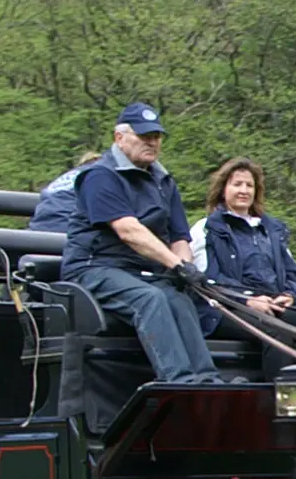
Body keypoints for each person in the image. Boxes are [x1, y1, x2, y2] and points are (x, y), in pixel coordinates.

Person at [65, 102, 219, 384]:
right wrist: (176, 266)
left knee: (179, 299)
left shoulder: (163, 181)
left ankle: (207, 381)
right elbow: (128, 230)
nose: (152, 142)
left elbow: (179, 236)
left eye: (156, 136)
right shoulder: (99, 176)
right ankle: (179, 382)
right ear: (119, 138)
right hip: (95, 267)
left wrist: (187, 270)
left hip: (142, 272)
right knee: (151, 299)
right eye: (143, 135)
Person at [195, 157, 296, 377]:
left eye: (249, 185)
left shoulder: (272, 230)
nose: (244, 190)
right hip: (227, 310)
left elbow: (294, 274)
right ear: (223, 189)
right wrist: (247, 299)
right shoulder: (206, 229)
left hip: (273, 306)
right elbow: (206, 280)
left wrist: (290, 295)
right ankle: (281, 397)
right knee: (276, 329)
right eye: (237, 184)